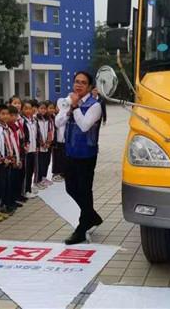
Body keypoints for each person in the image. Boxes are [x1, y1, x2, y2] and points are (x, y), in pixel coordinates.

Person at [56, 71, 103, 245]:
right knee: (70, 188)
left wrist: (75, 108)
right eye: (76, 81)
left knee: (84, 190)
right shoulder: (68, 102)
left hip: (86, 155)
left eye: (83, 82)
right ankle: (92, 216)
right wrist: (67, 109)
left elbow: (84, 126)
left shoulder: (95, 105)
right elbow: (57, 123)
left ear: (90, 87)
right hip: (70, 152)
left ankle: (82, 228)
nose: (78, 85)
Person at [21, 100, 38, 199]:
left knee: (31, 170)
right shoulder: (23, 121)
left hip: (33, 149)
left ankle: (29, 188)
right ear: (22, 110)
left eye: (29, 108)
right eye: (25, 108)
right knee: (26, 172)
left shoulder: (33, 121)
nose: (28, 110)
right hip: (27, 151)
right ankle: (25, 191)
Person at [35, 102, 54, 189]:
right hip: (40, 146)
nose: (43, 110)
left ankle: (44, 177)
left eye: (44, 108)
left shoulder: (49, 119)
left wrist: (48, 142)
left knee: (46, 162)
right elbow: (37, 132)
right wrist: (42, 143)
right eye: (41, 108)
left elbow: (51, 131)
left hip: (47, 145)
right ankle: (38, 180)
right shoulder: (36, 119)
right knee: (40, 163)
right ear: (38, 109)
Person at [52, 98, 67, 183]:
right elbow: (58, 124)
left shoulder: (66, 114)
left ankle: (63, 172)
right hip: (57, 140)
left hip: (65, 140)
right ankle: (56, 173)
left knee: (64, 157)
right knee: (57, 157)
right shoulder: (55, 116)